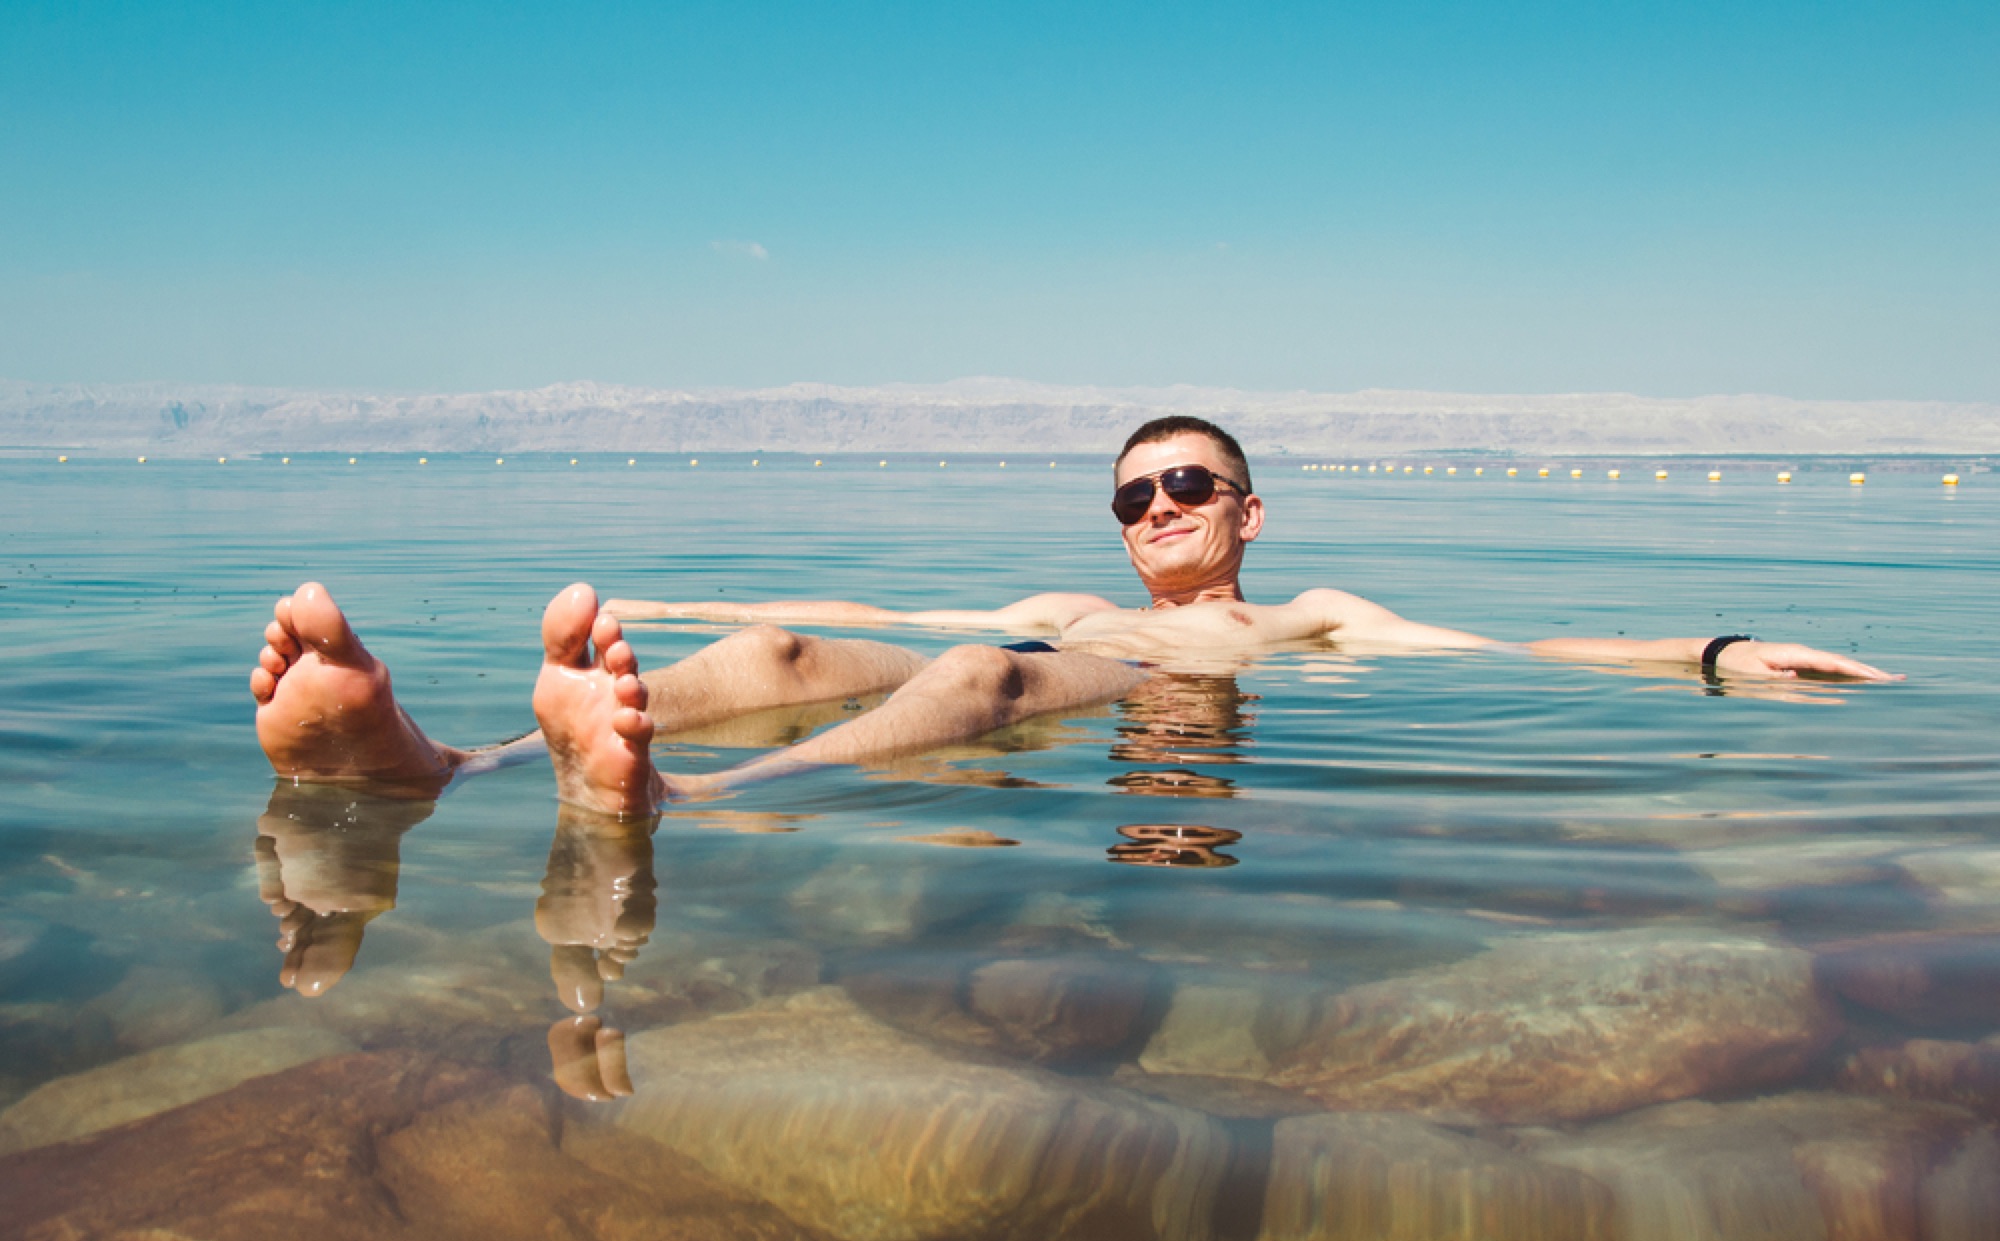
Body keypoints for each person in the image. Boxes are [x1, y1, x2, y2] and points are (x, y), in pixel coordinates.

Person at [250, 416, 1897, 816]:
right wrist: (697, 602)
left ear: (1248, 509)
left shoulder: (1304, 614)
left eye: (1186, 485)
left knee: (986, 669)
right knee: (784, 660)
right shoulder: (1068, 600)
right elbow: (865, 609)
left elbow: (1515, 652)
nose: (1157, 510)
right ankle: (437, 762)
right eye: (1133, 496)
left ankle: (681, 794)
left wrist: (1710, 652)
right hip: (1045, 661)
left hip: (1124, 700)